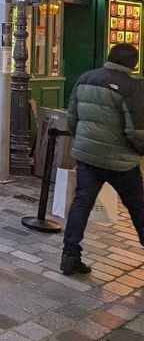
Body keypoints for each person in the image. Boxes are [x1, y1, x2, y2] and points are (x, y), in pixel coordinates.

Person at [61, 43, 144, 276]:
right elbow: (136, 131)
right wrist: (140, 151)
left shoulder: (85, 78)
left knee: (81, 204)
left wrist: (83, 141)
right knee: (138, 206)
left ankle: (70, 256)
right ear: (133, 63)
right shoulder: (131, 87)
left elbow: (72, 117)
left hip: (87, 156)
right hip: (121, 161)